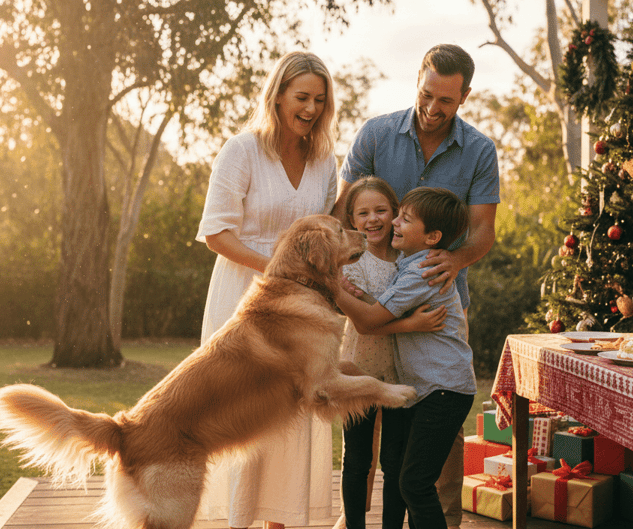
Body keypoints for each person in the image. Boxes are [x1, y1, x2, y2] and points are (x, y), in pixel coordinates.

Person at [334, 43, 500, 528]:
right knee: (364, 427)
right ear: (419, 79)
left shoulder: (479, 150)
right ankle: (354, 520)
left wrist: (452, 259)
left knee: (428, 445)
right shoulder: (377, 134)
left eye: (445, 101)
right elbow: (343, 209)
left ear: (464, 97)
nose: (432, 108)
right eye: (427, 94)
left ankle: (440, 518)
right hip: (376, 295)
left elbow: (483, 230)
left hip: (437, 303)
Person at [195, 50, 338, 529]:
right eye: (302, 97)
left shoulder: (324, 160)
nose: (312, 108)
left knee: (293, 416)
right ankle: (238, 522)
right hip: (241, 304)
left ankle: (284, 521)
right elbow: (217, 233)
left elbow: (328, 234)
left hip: (301, 312)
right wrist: (277, 269)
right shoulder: (242, 150)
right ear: (276, 97)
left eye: (320, 99)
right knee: (244, 417)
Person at [335, 187, 476, 529]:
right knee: (412, 482)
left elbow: (369, 320)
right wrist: (361, 294)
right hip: (435, 390)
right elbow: (380, 307)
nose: (395, 221)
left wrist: (331, 286)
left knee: (414, 483)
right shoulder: (411, 265)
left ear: (432, 237)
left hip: (443, 391)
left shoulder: (421, 272)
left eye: (404, 218)